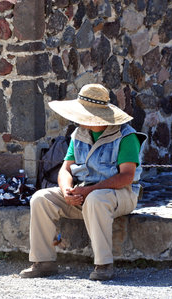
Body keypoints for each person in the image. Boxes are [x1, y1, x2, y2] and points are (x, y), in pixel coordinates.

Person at [19, 83, 146, 281]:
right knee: (40, 198)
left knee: (96, 198)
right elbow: (65, 169)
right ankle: (43, 262)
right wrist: (67, 189)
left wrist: (90, 190)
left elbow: (126, 176)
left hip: (121, 194)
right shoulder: (79, 134)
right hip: (85, 193)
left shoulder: (126, 136)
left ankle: (103, 264)